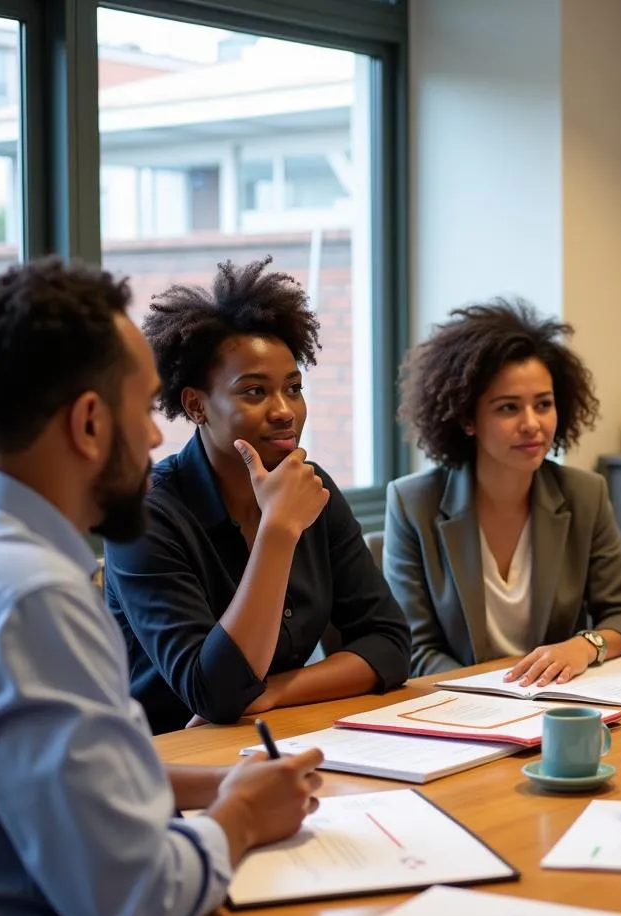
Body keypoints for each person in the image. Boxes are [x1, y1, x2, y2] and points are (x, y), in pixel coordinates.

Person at [0, 256, 373, 916]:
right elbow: (133, 911)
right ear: (91, 424)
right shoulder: (38, 598)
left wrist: (235, 785)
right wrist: (238, 817)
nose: (151, 436)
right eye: (144, 411)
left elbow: (66, 782)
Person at [103, 257, 410, 734]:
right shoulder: (147, 517)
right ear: (196, 404)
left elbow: (389, 643)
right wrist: (278, 531)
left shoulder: (312, 487)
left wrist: (274, 693)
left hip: (276, 735)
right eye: (254, 392)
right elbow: (217, 694)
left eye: (294, 388)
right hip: (166, 762)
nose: (285, 411)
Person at [386, 298, 621, 683]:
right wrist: (495, 694)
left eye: (543, 404)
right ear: (467, 418)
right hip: (459, 709)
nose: (532, 424)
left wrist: (584, 646)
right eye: (508, 408)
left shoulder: (584, 494)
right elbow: (414, 648)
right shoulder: (413, 504)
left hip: (555, 703)